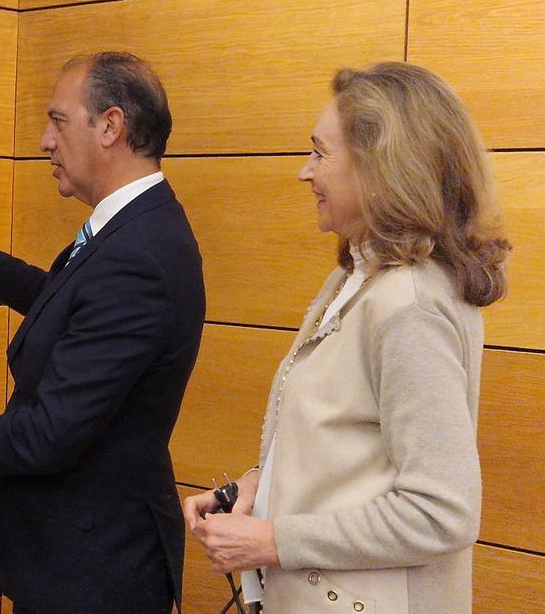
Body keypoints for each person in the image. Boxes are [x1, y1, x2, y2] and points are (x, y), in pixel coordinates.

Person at [0, 52, 204, 613]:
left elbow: (49, 434)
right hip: (77, 561)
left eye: (58, 121)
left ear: (110, 126)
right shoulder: (132, 227)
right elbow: (63, 301)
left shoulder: (139, 255)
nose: (44, 141)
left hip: (95, 570)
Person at [183, 62, 510, 613]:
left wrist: (275, 541)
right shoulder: (357, 278)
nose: (304, 172)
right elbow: (342, 447)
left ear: (381, 166)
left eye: (320, 153)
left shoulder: (408, 304)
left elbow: (442, 513)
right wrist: (257, 487)